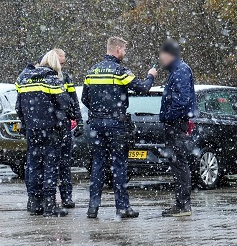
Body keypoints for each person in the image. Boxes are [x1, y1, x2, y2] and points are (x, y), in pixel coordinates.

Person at [82, 36, 157, 219]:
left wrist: (100, 112)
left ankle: (93, 207)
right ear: (117, 50)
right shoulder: (120, 71)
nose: (124, 53)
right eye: (124, 50)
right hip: (116, 124)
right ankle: (122, 208)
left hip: (96, 124)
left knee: (98, 164)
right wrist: (151, 76)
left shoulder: (92, 71)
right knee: (119, 165)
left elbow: (85, 98)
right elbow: (142, 88)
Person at [16, 50, 71, 217]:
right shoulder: (52, 80)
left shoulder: (23, 79)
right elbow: (65, 103)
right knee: (51, 166)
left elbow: (18, 108)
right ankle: (49, 204)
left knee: (33, 165)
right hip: (51, 129)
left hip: (32, 130)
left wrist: (28, 124)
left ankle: (34, 202)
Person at [157, 39, 197, 217]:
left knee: (180, 164)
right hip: (176, 124)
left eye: (161, 55)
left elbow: (181, 101)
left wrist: (167, 117)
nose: (160, 59)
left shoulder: (180, 70)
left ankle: (183, 206)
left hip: (177, 124)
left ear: (168, 54)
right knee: (178, 164)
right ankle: (181, 204)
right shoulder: (178, 70)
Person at [54, 48, 81, 209]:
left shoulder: (66, 78)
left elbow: (74, 100)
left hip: (63, 125)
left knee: (64, 164)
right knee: (50, 164)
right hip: (51, 126)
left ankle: (66, 197)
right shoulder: (46, 78)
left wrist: (79, 119)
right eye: (60, 63)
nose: (62, 66)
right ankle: (46, 199)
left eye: (63, 63)